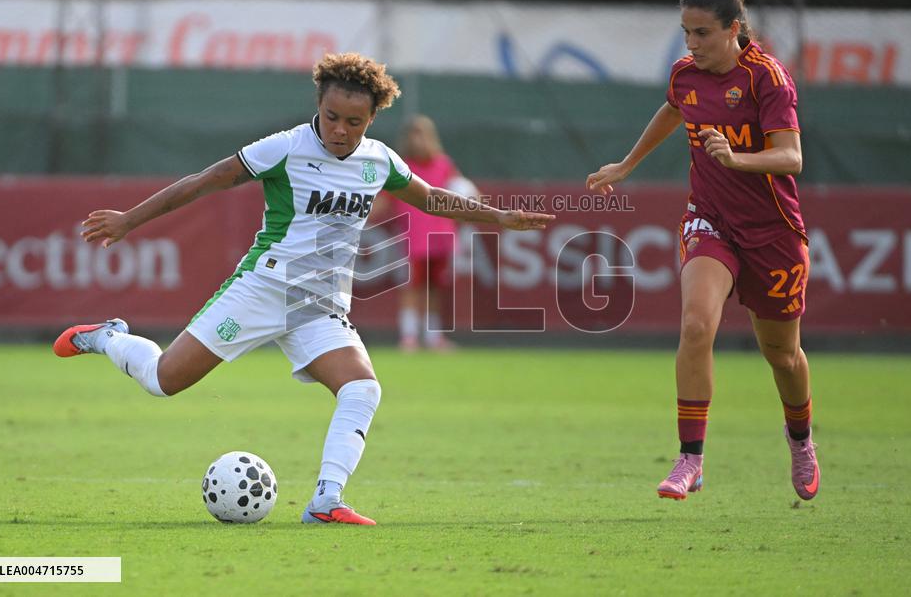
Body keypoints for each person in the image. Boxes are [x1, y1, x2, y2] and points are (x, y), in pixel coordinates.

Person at [53, 52, 555, 525]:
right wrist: (128, 220)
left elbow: (432, 199)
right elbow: (203, 181)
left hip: (319, 306)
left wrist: (498, 217)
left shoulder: (379, 161)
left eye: (353, 122)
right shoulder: (286, 147)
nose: (339, 130)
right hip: (263, 289)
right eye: (332, 116)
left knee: (362, 389)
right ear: (319, 104)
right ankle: (108, 336)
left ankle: (325, 501)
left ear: (372, 120)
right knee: (163, 381)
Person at [586, 0, 819, 502]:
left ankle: (801, 439)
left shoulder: (768, 78)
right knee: (695, 326)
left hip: (773, 231)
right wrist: (627, 164)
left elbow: (792, 157)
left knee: (782, 354)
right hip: (709, 219)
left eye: (702, 34)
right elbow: (674, 108)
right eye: (686, 32)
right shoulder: (685, 74)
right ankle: (691, 458)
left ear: (734, 29)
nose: (690, 44)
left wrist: (737, 158)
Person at [391, 115, 477, 352]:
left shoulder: (444, 164)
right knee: (412, 286)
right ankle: (408, 337)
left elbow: (467, 193)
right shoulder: (402, 167)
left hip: (442, 237)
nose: (418, 141)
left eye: (422, 135)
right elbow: (384, 201)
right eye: (413, 135)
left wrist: (471, 206)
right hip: (413, 238)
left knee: (433, 288)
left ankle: (433, 337)